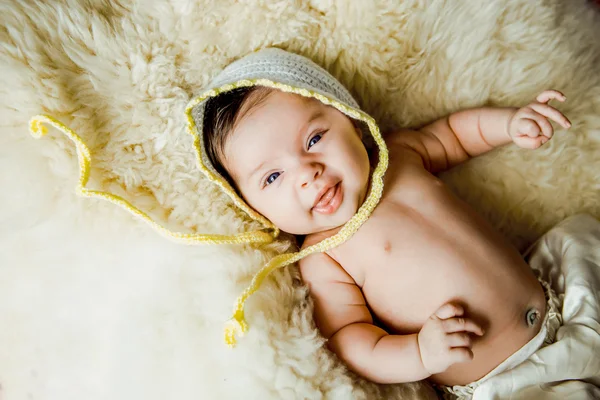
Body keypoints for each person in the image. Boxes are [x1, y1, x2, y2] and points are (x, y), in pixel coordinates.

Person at [199, 49, 571, 394]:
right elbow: (352, 339)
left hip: (563, 308)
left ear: (350, 120)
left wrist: (510, 124)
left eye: (314, 139)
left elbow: (455, 135)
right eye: (272, 177)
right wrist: (420, 353)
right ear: (253, 208)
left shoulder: (399, 156)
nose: (307, 174)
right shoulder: (325, 258)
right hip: (503, 383)